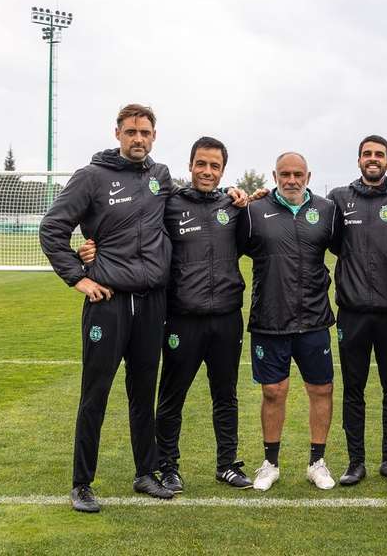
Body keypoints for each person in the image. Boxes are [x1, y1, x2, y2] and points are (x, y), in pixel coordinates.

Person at [79, 136, 255, 492]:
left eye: (215, 166)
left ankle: (227, 464)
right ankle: (167, 466)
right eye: (201, 164)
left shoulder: (234, 207)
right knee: (172, 396)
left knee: (226, 394)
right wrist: (91, 248)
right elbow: (128, 225)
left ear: (223, 170)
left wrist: (245, 196)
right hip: (180, 316)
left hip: (226, 316)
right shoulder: (167, 202)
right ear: (189, 166)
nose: (207, 172)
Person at [40, 104, 176, 512]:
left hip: (151, 302)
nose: (139, 139)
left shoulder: (161, 176)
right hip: (108, 302)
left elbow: (187, 207)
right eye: (131, 131)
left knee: (143, 393)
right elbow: (52, 227)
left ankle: (145, 473)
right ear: (117, 133)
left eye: (146, 132)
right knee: (95, 392)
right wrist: (78, 275)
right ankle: (82, 483)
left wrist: (241, 197)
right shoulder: (91, 177)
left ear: (154, 136)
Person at [238, 152, 340, 491]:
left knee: (321, 389)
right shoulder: (254, 212)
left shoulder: (326, 211)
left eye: (298, 174)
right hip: (270, 320)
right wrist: (233, 193)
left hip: (314, 319)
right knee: (273, 392)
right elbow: (227, 248)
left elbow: (349, 250)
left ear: (308, 176)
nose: (292, 180)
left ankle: (317, 462)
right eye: (285, 174)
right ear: (275, 175)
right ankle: (270, 463)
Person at [327, 135, 387, 486]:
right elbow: (329, 241)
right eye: (367, 154)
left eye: (379, 155)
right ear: (359, 160)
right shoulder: (338, 200)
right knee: (354, 389)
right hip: (353, 312)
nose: (373, 159)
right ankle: (355, 461)